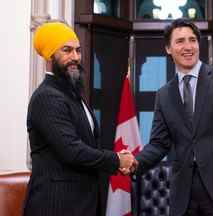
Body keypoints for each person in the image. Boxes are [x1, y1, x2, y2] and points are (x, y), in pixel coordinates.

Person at [131, 18, 213, 216]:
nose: (188, 46)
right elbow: (158, 144)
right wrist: (135, 162)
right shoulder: (164, 95)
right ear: (168, 48)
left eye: (192, 40)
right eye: (180, 41)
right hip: (184, 196)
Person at [24, 21, 134, 216]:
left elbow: (87, 145)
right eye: (66, 50)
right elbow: (73, 151)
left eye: (78, 50)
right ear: (50, 55)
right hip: (57, 206)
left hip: (84, 203)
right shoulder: (47, 97)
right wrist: (116, 160)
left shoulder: (72, 94)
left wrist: (117, 159)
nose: (75, 57)